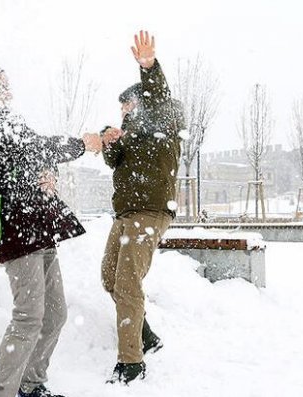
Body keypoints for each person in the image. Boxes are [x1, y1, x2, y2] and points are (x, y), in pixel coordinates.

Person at [0, 63, 102, 397]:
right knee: (29, 317)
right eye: (1, 85)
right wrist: (80, 144)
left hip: (39, 226)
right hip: (18, 230)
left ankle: (31, 385)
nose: (9, 90)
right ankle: (0, 392)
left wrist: (48, 172)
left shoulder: (7, 119)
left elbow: (31, 153)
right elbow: (29, 149)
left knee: (55, 314)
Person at [99, 31, 186, 384]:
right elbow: (114, 161)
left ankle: (131, 363)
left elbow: (159, 97)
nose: (124, 112)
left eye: (128, 105)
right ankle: (145, 334)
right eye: (121, 108)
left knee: (128, 283)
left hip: (150, 213)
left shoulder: (163, 120)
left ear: (142, 102)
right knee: (110, 277)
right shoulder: (130, 135)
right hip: (125, 214)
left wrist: (148, 67)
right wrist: (108, 139)